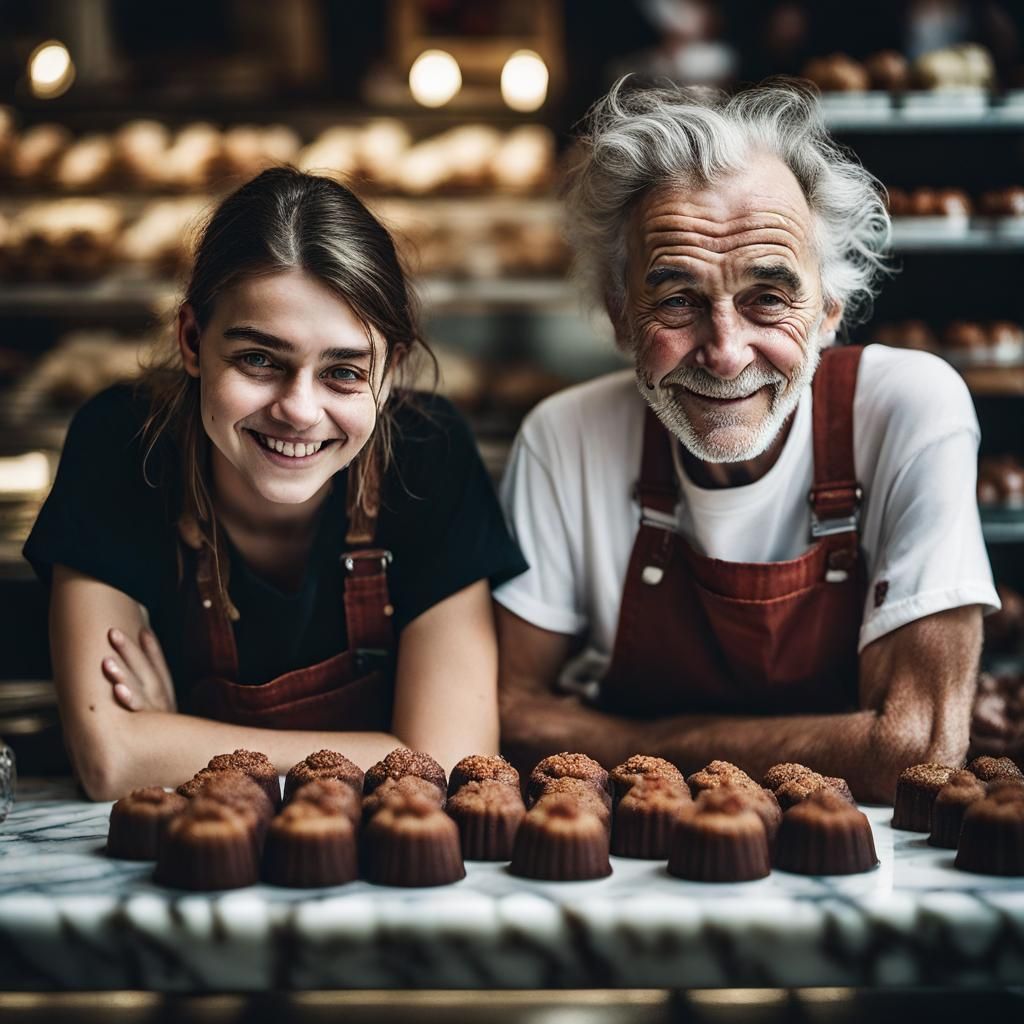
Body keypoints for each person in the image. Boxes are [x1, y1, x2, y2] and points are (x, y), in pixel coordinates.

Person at [495, 79, 999, 802]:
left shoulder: (908, 408)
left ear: (829, 310)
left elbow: (914, 749)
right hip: (633, 862)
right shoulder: (564, 436)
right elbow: (511, 718)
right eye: (677, 300)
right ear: (619, 316)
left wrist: (633, 745)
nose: (726, 353)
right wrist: (835, 740)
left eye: (768, 297)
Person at [26, 168, 526, 801]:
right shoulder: (121, 444)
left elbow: (454, 762)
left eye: (343, 372)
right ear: (191, 340)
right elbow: (111, 761)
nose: (298, 409)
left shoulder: (429, 455)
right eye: (259, 360)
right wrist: (390, 751)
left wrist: (174, 738)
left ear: (391, 372)